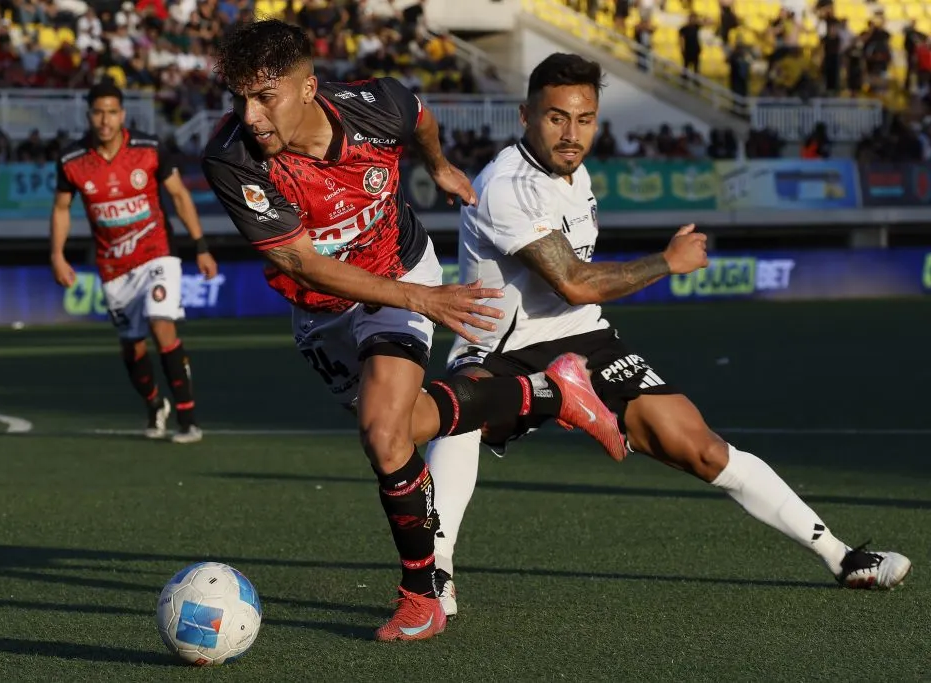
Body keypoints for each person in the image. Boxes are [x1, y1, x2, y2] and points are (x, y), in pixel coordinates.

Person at [423, 53, 913, 616]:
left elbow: (577, 304)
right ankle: (436, 573)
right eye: (556, 118)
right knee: (460, 412)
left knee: (703, 449)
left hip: (584, 340)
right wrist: (667, 262)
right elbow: (575, 282)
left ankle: (843, 558)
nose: (571, 133)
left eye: (584, 119)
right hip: (504, 348)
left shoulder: (575, 173)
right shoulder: (506, 185)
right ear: (524, 116)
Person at [200, 20, 625, 642]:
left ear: (309, 88)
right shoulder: (230, 158)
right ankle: (551, 394)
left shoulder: (377, 106)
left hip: (398, 271)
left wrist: (439, 165)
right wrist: (421, 296)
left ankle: (422, 595)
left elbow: (420, 116)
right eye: (240, 98)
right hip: (322, 310)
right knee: (400, 432)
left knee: (383, 433)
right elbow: (301, 262)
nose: (250, 114)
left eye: (265, 96)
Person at [50, 81, 219, 444]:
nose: (105, 119)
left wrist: (200, 245)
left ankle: (188, 420)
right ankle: (155, 404)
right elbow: (62, 209)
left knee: (162, 325)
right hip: (113, 267)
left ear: (122, 115)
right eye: (98, 112)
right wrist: (57, 254)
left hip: (158, 253)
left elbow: (179, 195)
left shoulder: (150, 149)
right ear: (89, 115)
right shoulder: (71, 160)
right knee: (133, 346)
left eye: (112, 112)